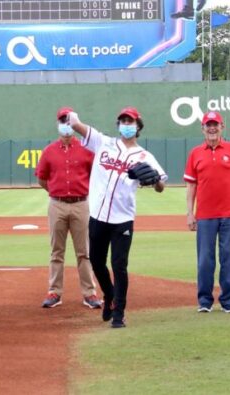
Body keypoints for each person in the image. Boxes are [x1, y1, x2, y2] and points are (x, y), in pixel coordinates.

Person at [67, 107, 167, 328]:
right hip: (98, 215)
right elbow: (76, 125)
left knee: (119, 265)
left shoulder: (145, 156)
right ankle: (110, 296)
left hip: (122, 218)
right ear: (118, 125)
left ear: (138, 126)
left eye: (130, 121)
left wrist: (153, 180)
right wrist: (72, 116)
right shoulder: (104, 143)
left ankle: (119, 312)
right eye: (123, 121)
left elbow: (161, 185)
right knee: (96, 261)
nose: (126, 125)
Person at [184, 111, 230, 314]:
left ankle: (228, 300)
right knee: (205, 259)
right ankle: (205, 300)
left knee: (228, 258)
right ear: (202, 129)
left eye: (215, 124)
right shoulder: (196, 153)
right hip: (204, 215)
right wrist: (189, 212)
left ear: (223, 127)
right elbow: (191, 186)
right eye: (208, 125)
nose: (212, 128)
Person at [35, 107, 101, 309]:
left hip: (81, 203)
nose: (66, 124)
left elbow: (94, 177)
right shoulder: (49, 151)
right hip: (57, 204)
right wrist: (55, 192)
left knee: (84, 252)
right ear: (58, 124)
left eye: (69, 120)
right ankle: (54, 292)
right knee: (57, 251)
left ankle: (89, 293)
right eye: (63, 120)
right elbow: (41, 178)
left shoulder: (86, 150)